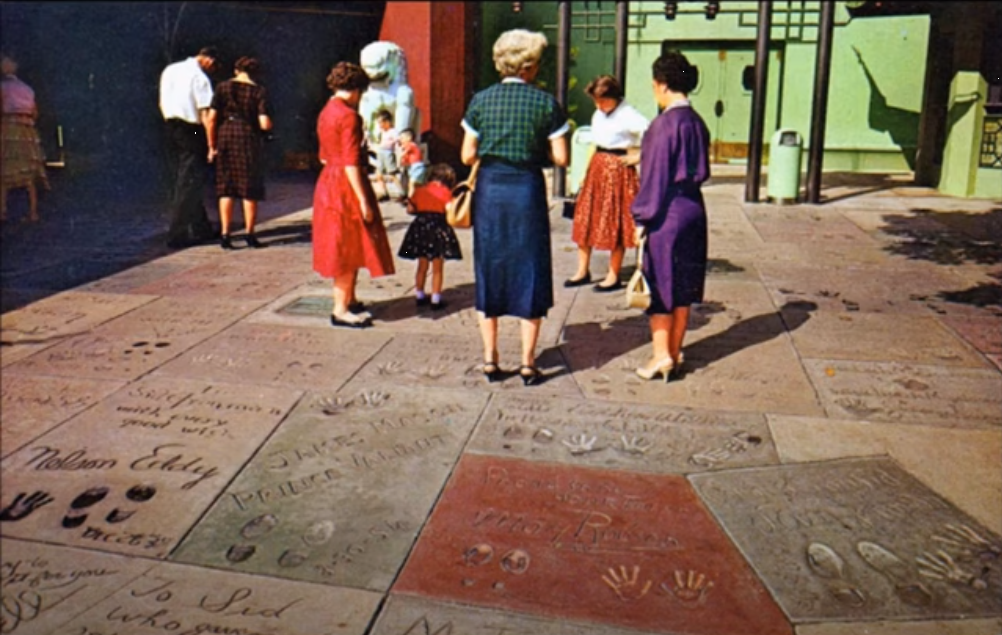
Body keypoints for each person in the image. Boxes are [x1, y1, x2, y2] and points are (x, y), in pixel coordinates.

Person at [460, 29, 570, 386]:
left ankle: (490, 359)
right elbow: (561, 158)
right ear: (529, 66)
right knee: (530, 268)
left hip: (491, 191)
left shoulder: (481, 101)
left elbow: (467, 155)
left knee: (490, 266)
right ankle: (526, 362)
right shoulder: (545, 103)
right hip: (526, 190)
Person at [631, 51, 711, 382]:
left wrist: (641, 218)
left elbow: (654, 177)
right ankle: (674, 352)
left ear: (662, 85)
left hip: (667, 212)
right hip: (694, 207)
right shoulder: (697, 122)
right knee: (683, 286)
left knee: (660, 283)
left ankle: (661, 355)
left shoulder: (662, 126)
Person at [313, 62, 395, 328]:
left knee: (345, 242)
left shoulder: (326, 111)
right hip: (346, 185)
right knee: (349, 245)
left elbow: (324, 156)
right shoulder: (349, 116)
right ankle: (340, 309)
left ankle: (350, 297)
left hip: (328, 181)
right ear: (356, 89)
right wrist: (362, 199)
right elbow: (351, 162)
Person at [567, 74, 649, 291]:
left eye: (602, 100)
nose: (598, 105)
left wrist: (638, 156)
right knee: (585, 218)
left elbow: (653, 135)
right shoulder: (599, 113)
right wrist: (584, 174)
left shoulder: (629, 115)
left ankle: (613, 275)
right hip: (597, 166)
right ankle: (582, 270)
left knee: (616, 221)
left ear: (614, 97)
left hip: (617, 170)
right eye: (596, 100)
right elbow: (596, 143)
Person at [207, 56, 273, 250]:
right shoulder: (259, 91)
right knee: (249, 186)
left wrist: (212, 146)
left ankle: (225, 235)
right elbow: (264, 123)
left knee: (225, 186)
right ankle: (250, 234)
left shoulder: (222, 87)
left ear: (236, 70)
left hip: (226, 134)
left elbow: (211, 118)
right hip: (248, 137)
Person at [159, 46, 219, 249]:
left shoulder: (171, 69)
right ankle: (177, 233)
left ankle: (201, 226)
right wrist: (212, 144)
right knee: (189, 181)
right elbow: (206, 115)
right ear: (209, 60)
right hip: (191, 129)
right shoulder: (200, 78)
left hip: (170, 126)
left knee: (189, 178)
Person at [398, 163, 462, 310]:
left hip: (420, 227)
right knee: (437, 267)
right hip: (438, 227)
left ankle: (419, 294)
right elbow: (450, 210)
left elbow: (410, 209)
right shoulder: (446, 192)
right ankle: (436, 298)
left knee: (422, 265)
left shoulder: (419, 191)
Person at [1, 53, 49, 223]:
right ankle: (32, 211)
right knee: (27, 173)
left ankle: (3, 210)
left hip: (9, 131)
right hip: (26, 132)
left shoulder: (4, 88)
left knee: (5, 170)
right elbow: (35, 112)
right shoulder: (27, 89)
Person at [373, 109, 401, 200]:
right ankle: (383, 192)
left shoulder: (393, 131)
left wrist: (398, 151)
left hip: (388, 153)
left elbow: (398, 141)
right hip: (381, 153)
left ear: (387, 122)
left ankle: (401, 192)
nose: (380, 125)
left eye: (382, 123)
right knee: (379, 173)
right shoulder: (382, 132)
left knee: (392, 174)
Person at [397, 128, 426, 197]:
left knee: (412, 184)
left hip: (417, 167)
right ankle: (416, 198)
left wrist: (400, 156)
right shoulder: (408, 147)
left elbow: (402, 155)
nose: (400, 140)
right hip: (413, 167)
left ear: (409, 138)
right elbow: (405, 160)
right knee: (414, 184)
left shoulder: (411, 145)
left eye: (402, 138)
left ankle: (411, 199)